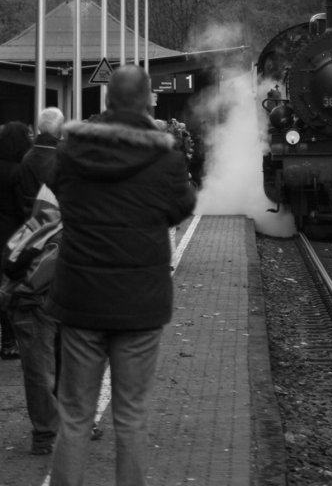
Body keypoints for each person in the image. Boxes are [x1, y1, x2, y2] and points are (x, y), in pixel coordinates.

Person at [48, 65, 197, 486]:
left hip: (81, 301)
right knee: (131, 418)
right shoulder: (165, 158)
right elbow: (182, 207)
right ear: (147, 101)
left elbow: (56, 190)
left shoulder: (71, 153)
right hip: (139, 303)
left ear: (107, 100)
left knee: (74, 417)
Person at [1, 184, 62, 454]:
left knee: (44, 369)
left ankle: (52, 428)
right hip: (36, 303)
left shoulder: (40, 223)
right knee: (43, 371)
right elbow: (43, 272)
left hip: (29, 302)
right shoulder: (63, 231)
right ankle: (46, 433)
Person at [0, 121, 32, 359]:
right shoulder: (19, 171)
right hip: (12, 235)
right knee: (10, 287)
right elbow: (24, 207)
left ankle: (8, 340)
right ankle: (11, 340)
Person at [18, 107, 64, 218]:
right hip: (57, 221)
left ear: (39, 127)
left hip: (32, 220)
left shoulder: (27, 157)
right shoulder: (63, 156)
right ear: (60, 129)